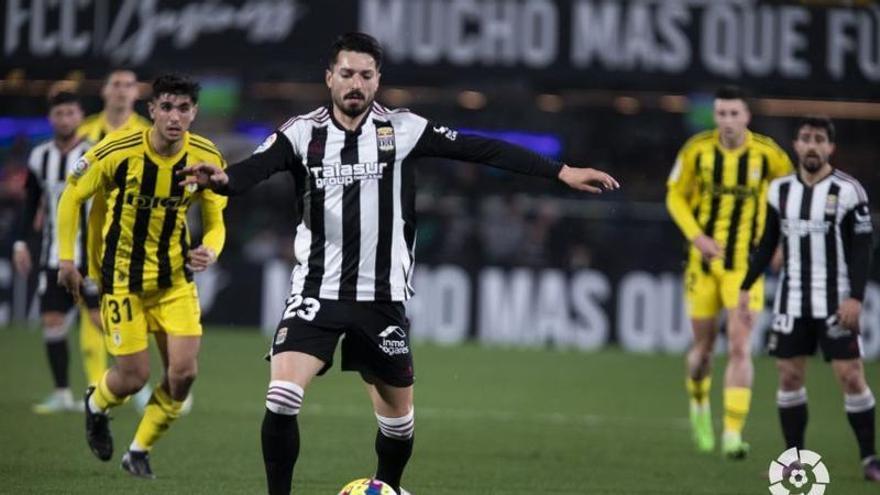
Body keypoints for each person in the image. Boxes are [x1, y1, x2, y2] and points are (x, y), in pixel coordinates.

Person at [179, 32, 619, 495]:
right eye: (347, 73)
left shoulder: (404, 129)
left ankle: (386, 488)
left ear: (378, 81)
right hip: (316, 292)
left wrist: (560, 171)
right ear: (329, 78)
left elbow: (480, 148)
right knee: (283, 397)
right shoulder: (301, 132)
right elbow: (256, 167)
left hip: (382, 299)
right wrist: (223, 180)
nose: (356, 83)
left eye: (366, 75)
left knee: (398, 427)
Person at [56, 74, 227, 479]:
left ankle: (138, 449)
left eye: (183, 108)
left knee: (183, 374)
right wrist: (67, 261)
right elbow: (72, 195)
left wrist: (211, 249)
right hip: (122, 282)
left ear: (194, 113)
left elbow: (217, 222)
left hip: (174, 282)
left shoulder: (206, 155)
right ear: (151, 110)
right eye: (166, 107)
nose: (174, 116)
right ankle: (96, 405)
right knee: (134, 378)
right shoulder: (118, 150)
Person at [738, 116, 880, 481]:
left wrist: (856, 298)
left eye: (819, 139)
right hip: (792, 299)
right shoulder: (780, 190)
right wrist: (745, 286)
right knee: (788, 376)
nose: (812, 145)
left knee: (850, 376)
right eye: (806, 138)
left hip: (835, 300)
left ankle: (869, 458)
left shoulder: (849, 191)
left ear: (830, 147)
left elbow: (863, 249)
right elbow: (768, 243)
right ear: (797, 146)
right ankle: (794, 460)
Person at [666, 86, 793, 458]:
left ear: (747, 116)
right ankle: (699, 404)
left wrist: (781, 243)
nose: (727, 121)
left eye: (734, 114)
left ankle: (733, 434)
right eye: (721, 114)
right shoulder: (697, 150)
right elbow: (674, 194)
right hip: (703, 266)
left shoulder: (769, 155)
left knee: (740, 346)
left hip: (745, 269)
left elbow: (790, 197)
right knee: (703, 351)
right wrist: (696, 236)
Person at [13, 92, 102, 413]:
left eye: (70, 112)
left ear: (80, 116)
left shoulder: (95, 153)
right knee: (52, 320)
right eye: (59, 113)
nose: (64, 119)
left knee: (102, 320)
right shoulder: (40, 157)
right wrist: (21, 242)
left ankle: (134, 384)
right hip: (54, 255)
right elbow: (30, 203)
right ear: (51, 118)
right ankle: (62, 392)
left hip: (93, 256)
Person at [77, 69, 154, 401]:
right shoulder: (84, 131)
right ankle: (97, 385)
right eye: (116, 85)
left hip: (131, 235)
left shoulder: (148, 133)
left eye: (128, 85)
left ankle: (130, 375)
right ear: (105, 91)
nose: (122, 91)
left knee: (130, 307)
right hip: (87, 231)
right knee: (89, 308)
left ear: (137, 94)